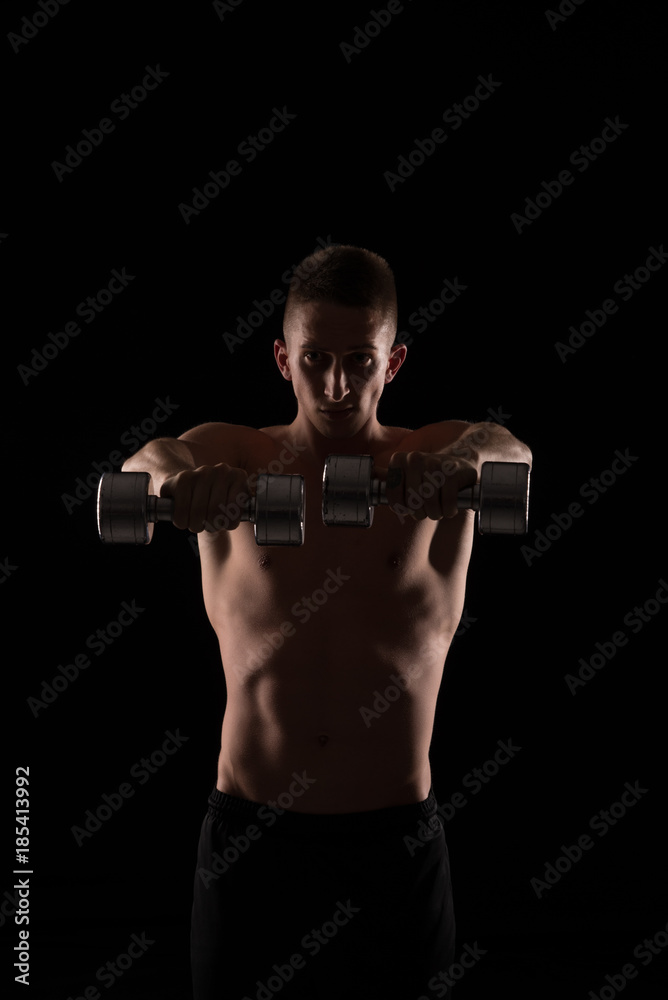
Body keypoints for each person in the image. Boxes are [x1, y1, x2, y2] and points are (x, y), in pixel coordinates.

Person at [122, 245, 532, 998]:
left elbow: (507, 447)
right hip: (250, 839)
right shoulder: (238, 459)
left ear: (394, 361)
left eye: (360, 360)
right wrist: (178, 483)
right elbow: (147, 461)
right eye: (315, 359)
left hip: (394, 845)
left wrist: (463, 464)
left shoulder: (429, 461)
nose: (338, 385)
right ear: (282, 358)